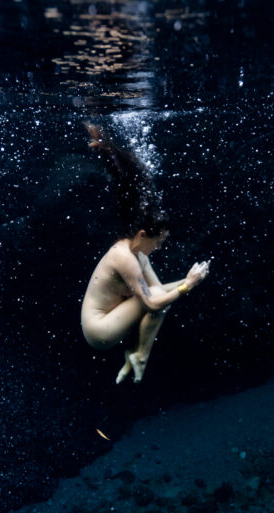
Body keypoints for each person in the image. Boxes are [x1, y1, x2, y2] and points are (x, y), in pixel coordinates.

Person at [80, 124, 211, 383]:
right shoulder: (125, 258)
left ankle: (133, 354)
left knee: (162, 296)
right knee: (159, 302)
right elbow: (153, 304)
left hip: (112, 318)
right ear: (142, 234)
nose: (159, 247)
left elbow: (159, 289)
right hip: (100, 330)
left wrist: (190, 280)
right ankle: (140, 355)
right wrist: (188, 286)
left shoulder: (139, 253)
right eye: (158, 241)